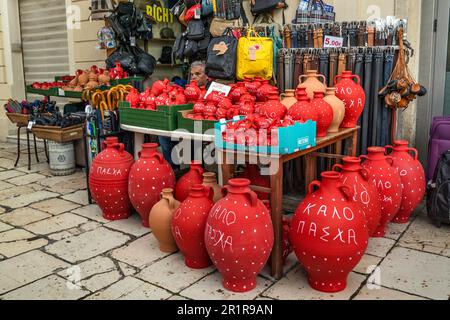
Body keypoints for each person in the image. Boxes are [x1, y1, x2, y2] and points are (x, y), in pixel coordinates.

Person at [158, 61, 208, 171]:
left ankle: (196, 171)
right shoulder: (186, 91)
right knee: (164, 136)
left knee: (194, 137)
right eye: (192, 74)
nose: (194, 77)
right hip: (185, 124)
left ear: (207, 75)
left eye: (198, 74)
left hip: (202, 126)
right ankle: (173, 171)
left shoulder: (211, 91)